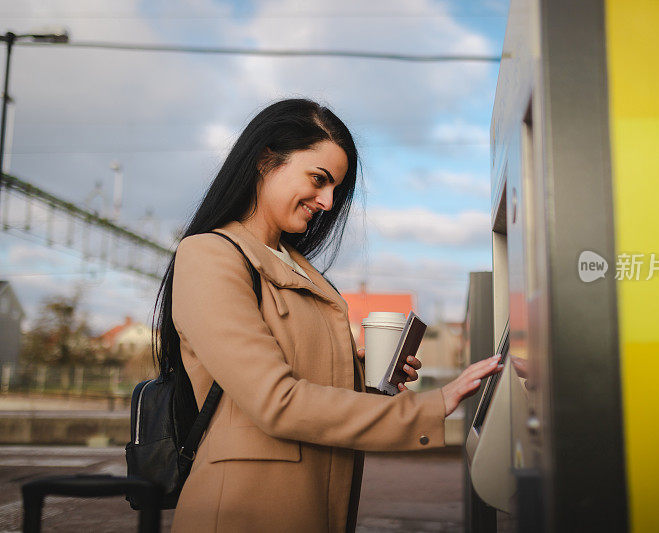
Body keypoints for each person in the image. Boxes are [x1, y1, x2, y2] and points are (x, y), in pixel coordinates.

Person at [154, 98, 503, 532]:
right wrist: (434, 405)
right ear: (266, 161)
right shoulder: (209, 255)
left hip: (316, 503)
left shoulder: (300, 267)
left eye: (336, 188)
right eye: (319, 180)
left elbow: (308, 384)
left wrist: (367, 378)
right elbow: (276, 401)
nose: (328, 201)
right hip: (245, 509)